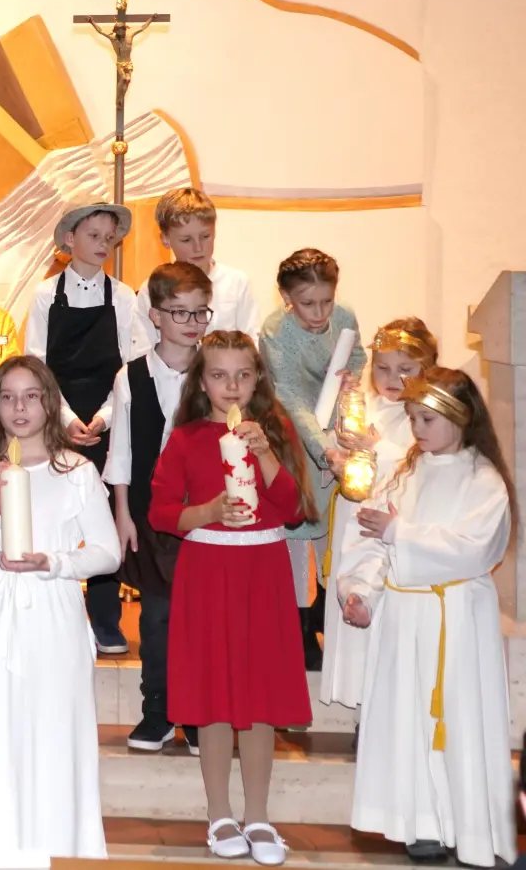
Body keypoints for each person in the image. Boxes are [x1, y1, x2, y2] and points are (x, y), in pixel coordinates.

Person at [0, 356, 119, 868]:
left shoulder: (76, 470)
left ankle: (59, 848)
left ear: (49, 402)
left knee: (53, 734)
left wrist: (54, 562)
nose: (20, 407)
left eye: (31, 396)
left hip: (53, 611)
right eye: (9, 396)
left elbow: (108, 553)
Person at [338, 369, 517, 867]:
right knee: (408, 720)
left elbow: (473, 550)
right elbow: (373, 537)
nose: (416, 428)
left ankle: (466, 825)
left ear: (461, 420)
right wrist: (362, 593)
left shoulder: (484, 481)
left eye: (428, 419)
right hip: (403, 616)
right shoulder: (406, 473)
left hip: (454, 617)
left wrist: (401, 533)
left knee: (454, 721)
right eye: (413, 417)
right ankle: (419, 824)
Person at [149, 330, 316, 866]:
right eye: (219, 375)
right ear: (202, 380)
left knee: (259, 698)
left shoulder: (276, 430)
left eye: (243, 374)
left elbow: (292, 508)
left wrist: (267, 454)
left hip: (262, 572)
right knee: (214, 696)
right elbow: (161, 512)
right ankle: (219, 812)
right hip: (208, 569)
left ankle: (260, 814)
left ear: (258, 378)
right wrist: (209, 512)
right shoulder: (186, 438)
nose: (232, 385)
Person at [106, 262, 212, 755]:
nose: (192, 323)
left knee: (201, 620)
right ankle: (158, 712)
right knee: (156, 618)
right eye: (179, 312)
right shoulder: (131, 377)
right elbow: (121, 453)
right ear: (155, 316)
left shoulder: (215, 374)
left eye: (199, 313)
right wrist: (123, 515)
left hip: (207, 516)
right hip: (151, 516)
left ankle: (195, 716)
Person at [25, 203, 135, 654]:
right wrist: (66, 418)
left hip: (111, 419)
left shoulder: (125, 298)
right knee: (57, 514)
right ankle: (53, 610)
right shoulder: (45, 296)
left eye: (110, 237)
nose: (103, 244)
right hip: (58, 419)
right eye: (94, 234)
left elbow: (132, 367)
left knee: (105, 516)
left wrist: (105, 417)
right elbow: (36, 363)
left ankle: (107, 619)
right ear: (69, 238)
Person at [319, 319, 436, 715]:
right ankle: (359, 706)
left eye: (405, 370)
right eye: (382, 368)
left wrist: (375, 448)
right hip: (356, 518)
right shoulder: (366, 405)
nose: (392, 379)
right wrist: (337, 457)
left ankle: (383, 712)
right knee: (351, 601)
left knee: (381, 614)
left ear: (426, 370)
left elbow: (420, 466)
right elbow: (342, 447)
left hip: (389, 527)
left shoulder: (423, 415)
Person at [258, 248, 366, 670]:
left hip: (336, 429)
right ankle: (298, 627)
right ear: (286, 297)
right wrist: (323, 449)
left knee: (335, 530)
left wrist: (351, 379)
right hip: (293, 434)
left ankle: (327, 610)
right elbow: (290, 396)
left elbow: (356, 354)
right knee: (299, 529)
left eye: (327, 300)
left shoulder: (345, 316)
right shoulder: (276, 330)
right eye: (307, 303)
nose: (320, 312)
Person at [128, 188, 259, 357]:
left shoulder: (237, 282)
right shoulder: (151, 288)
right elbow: (141, 353)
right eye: (186, 240)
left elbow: (251, 348)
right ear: (165, 239)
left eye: (205, 236)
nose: (198, 248)